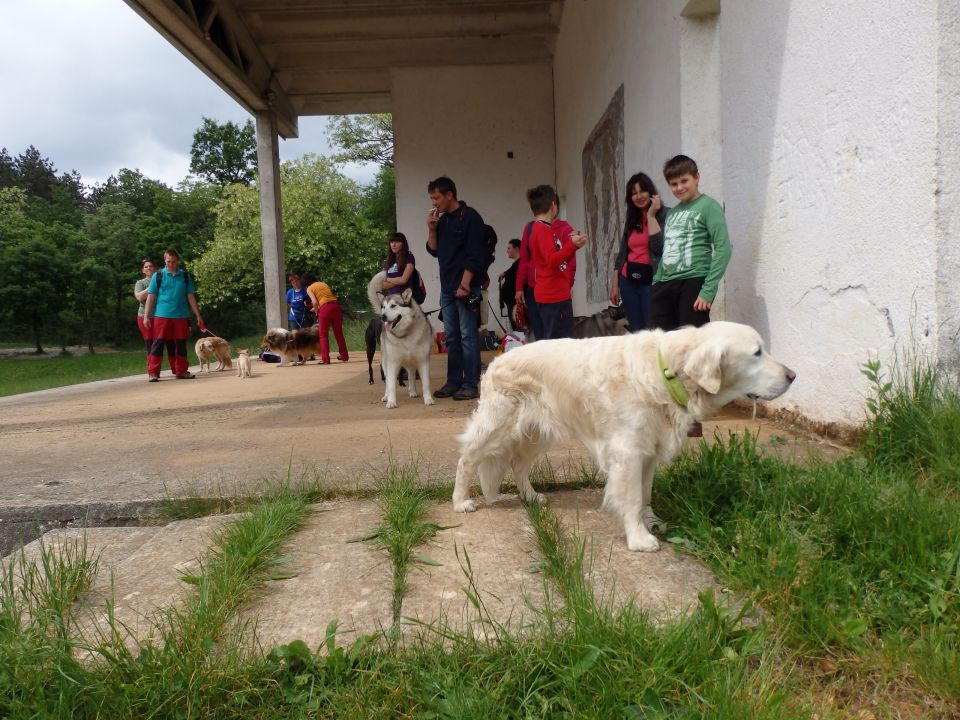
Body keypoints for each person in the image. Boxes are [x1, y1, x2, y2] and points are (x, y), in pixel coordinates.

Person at [648, 154, 731, 332]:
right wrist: (657, 282)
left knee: (693, 344)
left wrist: (708, 290)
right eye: (673, 184)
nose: (679, 187)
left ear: (696, 177)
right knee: (661, 343)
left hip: (693, 281)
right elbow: (668, 250)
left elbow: (723, 249)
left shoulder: (709, 206)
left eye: (684, 181)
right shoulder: (672, 213)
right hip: (664, 284)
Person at [425, 176, 487, 401]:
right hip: (447, 287)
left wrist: (466, 284)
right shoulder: (442, 220)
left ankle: (470, 384)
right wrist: (431, 229)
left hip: (465, 286)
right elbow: (434, 250)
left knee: (468, 336)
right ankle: (453, 381)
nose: (434, 203)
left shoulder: (470, 217)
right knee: (451, 337)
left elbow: (476, 255)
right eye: (432, 198)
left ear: (450, 195)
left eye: (437, 197)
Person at [526, 184, 588, 340]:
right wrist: (571, 245)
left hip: (551, 293)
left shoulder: (539, 229)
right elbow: (552, 261)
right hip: (554, 295)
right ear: (554, 205)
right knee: (561, 343)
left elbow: (554, 258)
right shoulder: (543, 230)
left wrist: (573, 246)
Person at [610, 172, 669, 332]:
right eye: (634, 193)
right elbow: (623, 253)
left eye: (642, 191)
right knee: (636, 329)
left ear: (650, 191)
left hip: (652, 280)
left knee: (653, 328)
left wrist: (651, 216)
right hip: (627, 281)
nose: (639, 196)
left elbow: (660, 248)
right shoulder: (632, 219)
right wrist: (615, 284)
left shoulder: (665, 215)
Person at [515, 199, 577, 341]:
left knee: (557, 337)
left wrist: (568, 283)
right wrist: (519, 287)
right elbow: (524, 259)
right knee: (542, 335)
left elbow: (570, 261)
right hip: (534, 288)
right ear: (553, 206)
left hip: (555, 289)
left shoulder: (564, 228)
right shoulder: (531, 228)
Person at [143, 249, 205, 382]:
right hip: (162, 315)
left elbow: (190, 296)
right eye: (168, 261)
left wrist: (197, 315)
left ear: (177, 261)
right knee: (158, 343)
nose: (170, 264)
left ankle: (181, 371)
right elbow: (151, 296)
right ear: (165, 261)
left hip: (181, 315)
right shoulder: (158, 276)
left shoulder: (184, 276)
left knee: (180, 344)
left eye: (173, 261)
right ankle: (153, 373)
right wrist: (146, 316)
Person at [302, 273, 349, 364]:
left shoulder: (309, 288)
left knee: (323, 335)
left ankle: (325, 359)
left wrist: (316, 312)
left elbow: (315, 302)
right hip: (335, 307)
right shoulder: (323, 284)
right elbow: (324, 299)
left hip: (325, 309)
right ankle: (344, 356)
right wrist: (314, 306)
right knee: (339, 334)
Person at [133, 258, 156, 354]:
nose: (149, 268)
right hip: (144, 317)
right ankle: (151, 368)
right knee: (150, 344)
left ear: (154, 268)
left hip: (160, 316)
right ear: (143, 270)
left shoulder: (161, 280)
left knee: (160, 343)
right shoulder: (140, 283)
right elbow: (139, 297)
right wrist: (153, 286)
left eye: (150, 266)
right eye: (146, 267)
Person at [498, 239, 522, 330]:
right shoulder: (515, 265)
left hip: (516, 304)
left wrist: (505, 273)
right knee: (515, 327)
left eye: (509, 248)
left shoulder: (520, 264)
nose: (507, 251)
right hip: (511, 303)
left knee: (518, 327)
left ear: (516, 249)